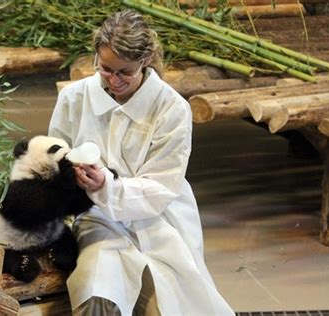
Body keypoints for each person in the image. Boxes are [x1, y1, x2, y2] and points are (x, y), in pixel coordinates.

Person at [48, 9, 234, 316]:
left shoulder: (172, 108)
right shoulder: (74, 98)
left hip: (158, 218)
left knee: (168, 304)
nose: (114, 80)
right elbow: (56, 156)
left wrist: (108, 184)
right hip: (96, 214)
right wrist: (75, 176)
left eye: (125, 72)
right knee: (97, 293)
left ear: (145, 62)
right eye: (106, 69)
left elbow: (161, 186)